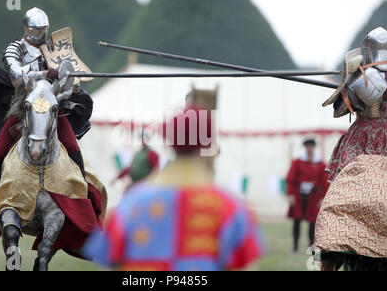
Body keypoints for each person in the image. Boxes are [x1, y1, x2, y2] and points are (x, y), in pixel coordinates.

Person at [81, 104, 264, 271]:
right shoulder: (231, 207)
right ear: (209, 143)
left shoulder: (129, 206)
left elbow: (109, 262)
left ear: (168, 140)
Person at [0, 7, 98, 228]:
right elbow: (16, 76)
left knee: (73, 147)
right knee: (0, 150)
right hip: (23, 107)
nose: (42, 34)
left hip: (52, 107)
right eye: (38, 29)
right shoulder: (15, 49)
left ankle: (84, 200)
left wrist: (66, 76)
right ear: (28, 28)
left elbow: (66, 80)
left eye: (45, 29)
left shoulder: (54, 48)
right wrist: (44, 73)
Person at [315, 27, 387, 270]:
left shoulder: (364, 74)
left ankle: (329, 259)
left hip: (365, 142)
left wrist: (352, 81)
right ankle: (331, 255)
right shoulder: (362, 73)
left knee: (340, 202)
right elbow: (340, 109)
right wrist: (350, 81)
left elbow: (339, 110)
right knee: (340, 204)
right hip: (363, 142)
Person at [286, 138, 329, 253]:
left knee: (312, 222)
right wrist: (290, 195)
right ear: (305, 147)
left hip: (314, 197)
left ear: (314, 147)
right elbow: (290, 180)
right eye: (307, 146)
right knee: (297, 221)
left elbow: (325, 183)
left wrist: (323, 198)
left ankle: (311, 247)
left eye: (311, 146)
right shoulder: (297, 162)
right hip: (299, 195)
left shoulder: (321, 164)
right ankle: (295, 247)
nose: (309, 148)